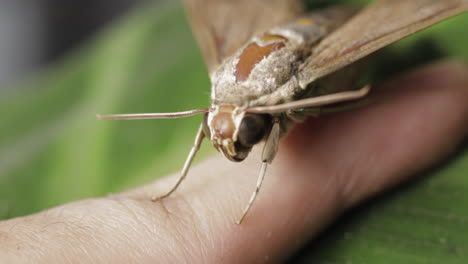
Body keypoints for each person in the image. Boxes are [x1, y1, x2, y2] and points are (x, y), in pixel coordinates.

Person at [1, 61, 467, 263]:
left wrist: (256, 187)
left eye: (245, 136)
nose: (230, 149)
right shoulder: (222, 108)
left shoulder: (284, 105)